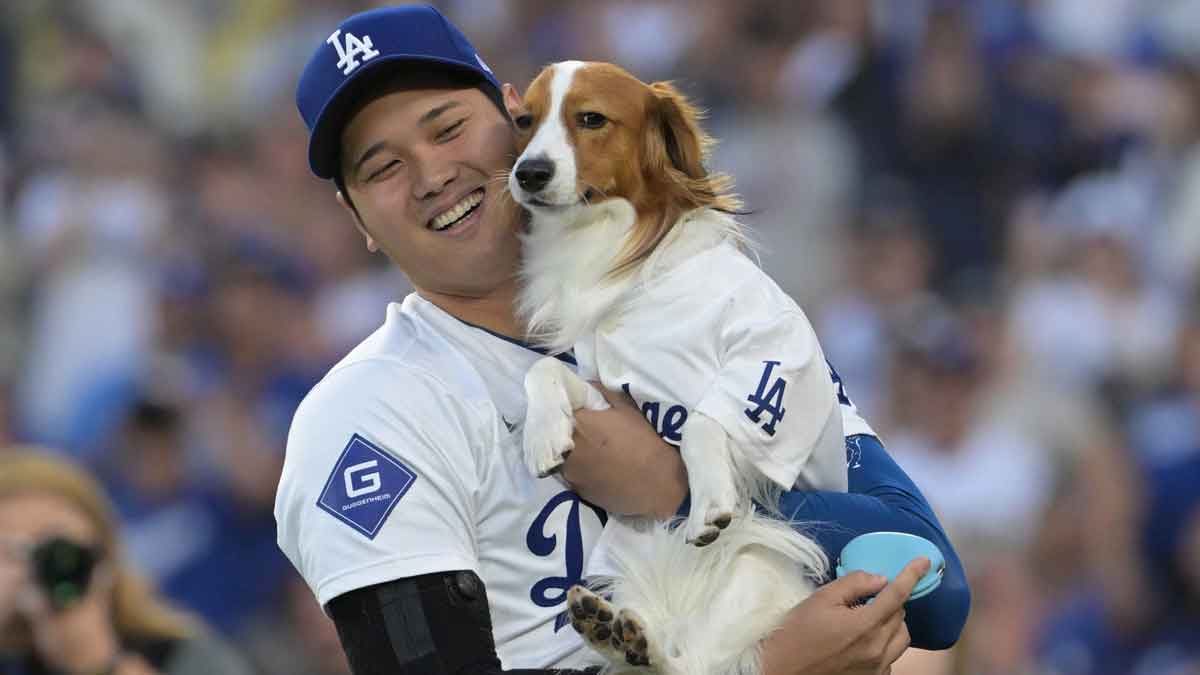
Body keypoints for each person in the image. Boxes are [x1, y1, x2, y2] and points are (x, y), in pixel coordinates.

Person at [276, 5, 968, 674]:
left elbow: (936, 589)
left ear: (521, 120)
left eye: (447, 127)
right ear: (355, 214)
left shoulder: (709, 296)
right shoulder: (369, 416)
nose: (431, 176)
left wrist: (676, 491)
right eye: (383, 167)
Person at [0, 449, 255, 675]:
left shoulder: (184, 656)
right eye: (12, 551)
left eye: (57, 549)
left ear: (104, 557)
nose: (37, 567)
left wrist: (97, 660)